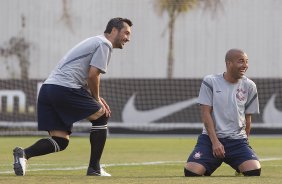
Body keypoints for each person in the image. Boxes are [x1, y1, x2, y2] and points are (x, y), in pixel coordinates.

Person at [13, 17, 133, 176]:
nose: (128, 38)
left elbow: (84, 74)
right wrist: (96, 100)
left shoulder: (94, 41)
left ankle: (23, 154)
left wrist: (96, 98)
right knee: (101, 115)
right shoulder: (105, 44)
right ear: (114, 31)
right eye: (126, 33)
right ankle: (94, 168)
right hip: (64, 89)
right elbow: (93, 75)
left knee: (60, 141)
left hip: (48, 89)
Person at [184, 49, 261, 177]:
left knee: (254, 171)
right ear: (229, 63)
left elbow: (248, 118)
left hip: (237, 141)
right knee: (191, 173)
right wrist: (215, 143)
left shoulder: (250, 86)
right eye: (241, 61)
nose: (245, 65)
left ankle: (239, 167)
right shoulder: (210, 81)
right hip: (210, 140)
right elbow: (205, 114)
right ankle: (209, 163)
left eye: (247, 62)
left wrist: (245, 143)